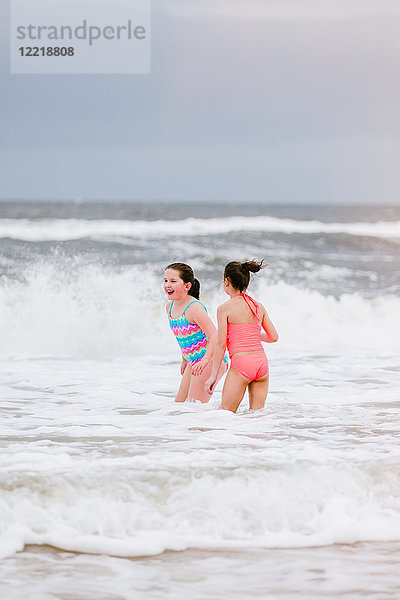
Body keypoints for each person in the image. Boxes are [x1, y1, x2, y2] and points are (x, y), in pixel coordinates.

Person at [205, 260, 278, 412]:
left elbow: (220, 343)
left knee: (225, 414)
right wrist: (253, 336)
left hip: (241, 364)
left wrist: (213, 376)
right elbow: (273, 337)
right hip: (261, 364)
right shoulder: (258, 306)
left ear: (227, 281)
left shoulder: (224, 309)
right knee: (256, 417)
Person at [164, 263, 227, 403]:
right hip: (193, 360)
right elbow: (184, 336)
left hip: (210, 359)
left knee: (194, 407)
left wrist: (205, 360)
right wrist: (184, 359)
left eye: (173, 281)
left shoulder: (194, 308)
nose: (168, 285)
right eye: (166, 280)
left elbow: (214, 335)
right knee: (180, 405)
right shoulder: (169, 307)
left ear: (187, 286)